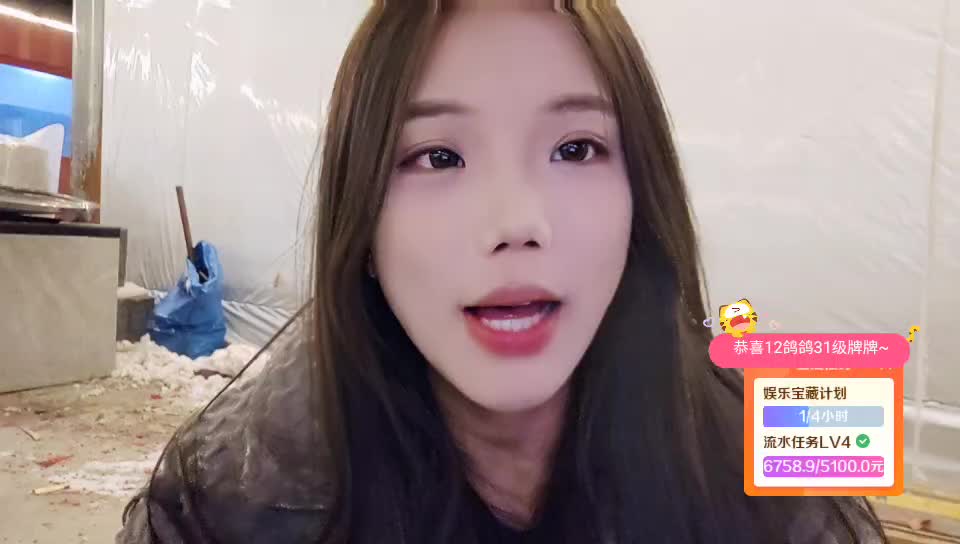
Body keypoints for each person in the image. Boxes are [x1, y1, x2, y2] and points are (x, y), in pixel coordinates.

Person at [117, 1, 887, 542]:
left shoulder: (778, 486)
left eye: (576, 148)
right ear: (364, 225)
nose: (517, 221)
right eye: (438, 157)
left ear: (641, 201)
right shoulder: (234, 501)